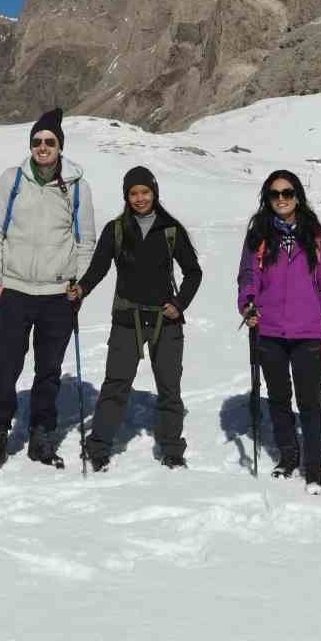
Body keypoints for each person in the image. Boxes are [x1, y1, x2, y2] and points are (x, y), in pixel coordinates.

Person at [0, 107, 95, 469]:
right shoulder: (12, 180)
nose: (43, 147)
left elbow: (85, 240)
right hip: (14, 291)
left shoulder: (76, 187)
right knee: (6, 367)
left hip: (58, 296)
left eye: (50, 141)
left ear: (60, 147)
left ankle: (41, 436)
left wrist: (79, 285)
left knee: (48, 370)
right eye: (37, 141)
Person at [68, 165, 201, 471]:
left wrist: (180, 304)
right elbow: (99, 268)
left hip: (165, 322)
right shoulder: (116, 229)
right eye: (133, 193)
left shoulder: (170, 229)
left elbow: (193, 272)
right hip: (127, 318)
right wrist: (82, 289)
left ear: (154, 193)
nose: (140, 198)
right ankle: (99, 446)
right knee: (116, 384)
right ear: (126, 196)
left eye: (145, 192)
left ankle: (172, 450)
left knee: (169, 387)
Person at [236, 170, 321, 494]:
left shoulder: (314, 234)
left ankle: (315, 467)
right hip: (269, 330)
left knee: (310, 401)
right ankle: (287, 455)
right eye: (274, 194)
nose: (281, 199)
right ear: (267, 199)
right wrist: (247, 305)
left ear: (298, 195)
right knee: (279, 399)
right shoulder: (259, 233)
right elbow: (247, 277)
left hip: (308, 330)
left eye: (287, 192)